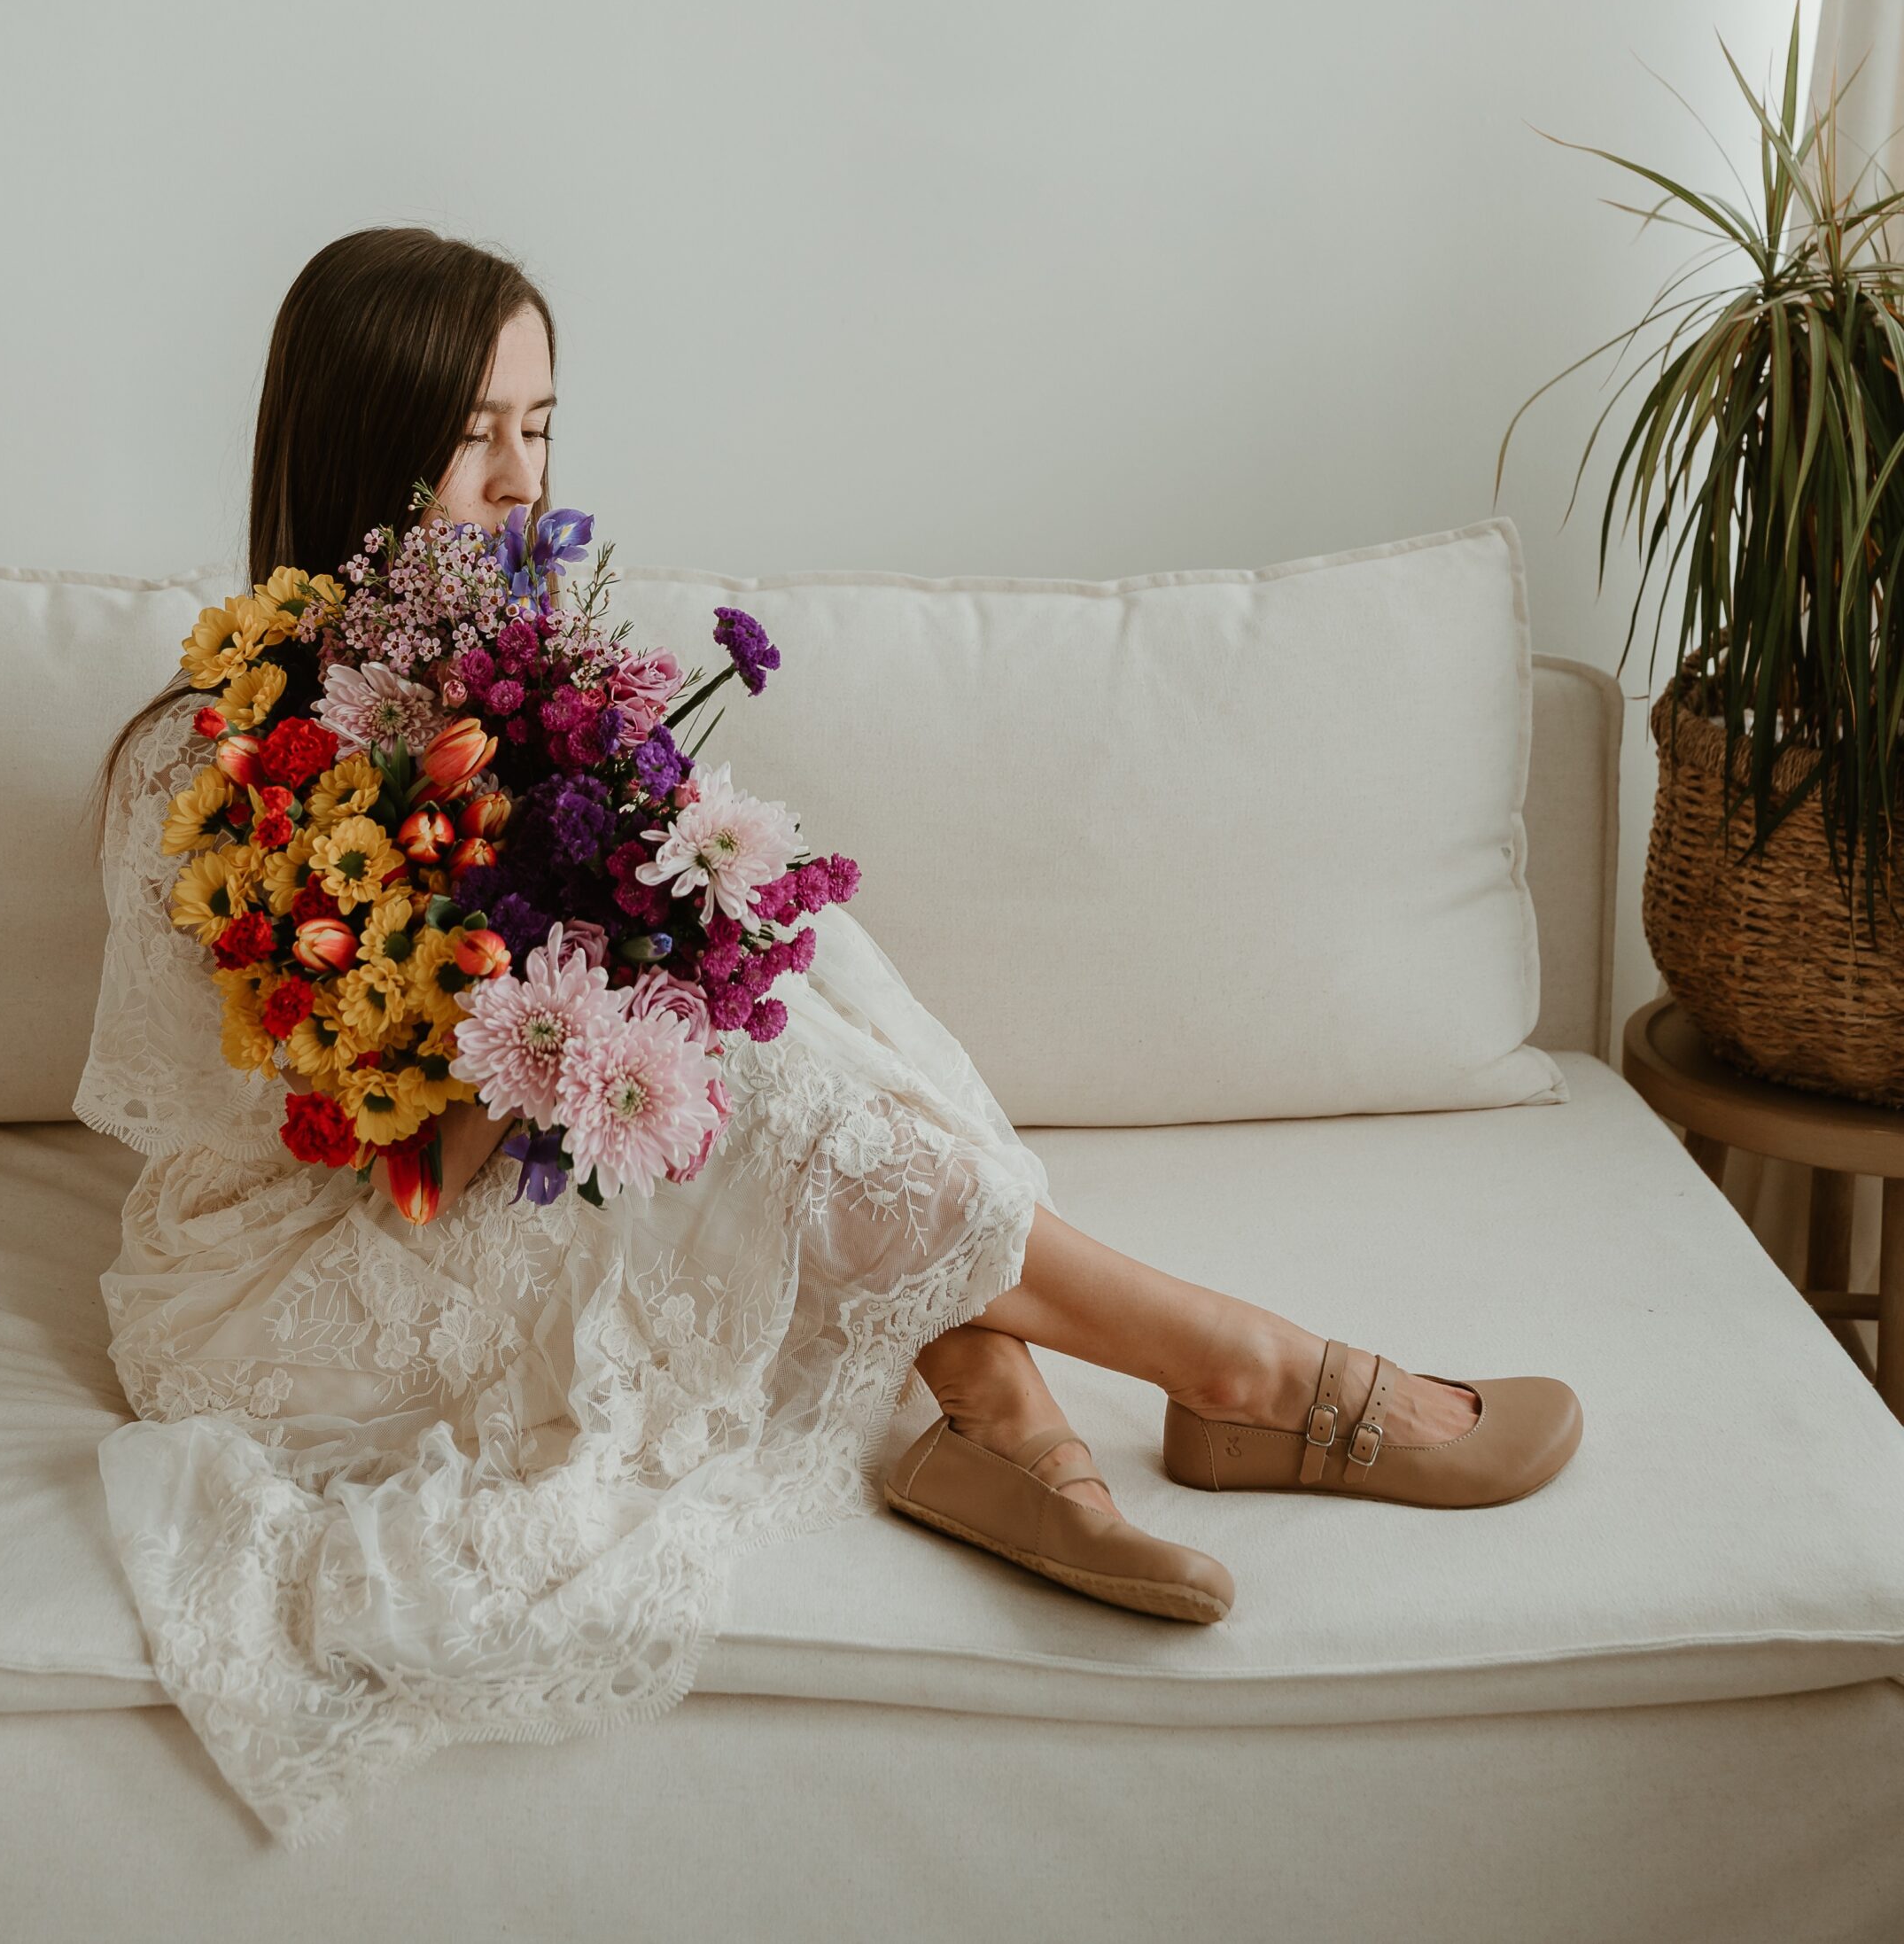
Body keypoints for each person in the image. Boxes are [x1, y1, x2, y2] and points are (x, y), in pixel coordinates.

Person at [77, 225, 1583, 1848]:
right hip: (310, 1246)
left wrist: (635, 976)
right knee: (734, 1062)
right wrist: (564, 1047)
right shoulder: (209, 763)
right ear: (364, 442)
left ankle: (1004, 1415)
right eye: (470, 434)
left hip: (506, 1136)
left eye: (542, 425)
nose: (518, 480)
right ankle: (1244, 1371)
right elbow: (356, 1138)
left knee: (803, 961)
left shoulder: (517, 687)